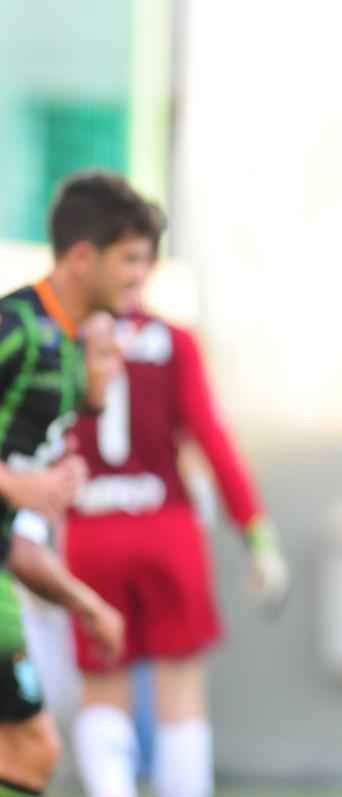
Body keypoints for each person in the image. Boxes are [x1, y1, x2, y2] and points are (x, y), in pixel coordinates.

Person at [63, 245, 289, 797]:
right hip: (166, 529)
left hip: (88, 534)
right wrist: (255, 531)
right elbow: (210, 437)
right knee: (181, 700)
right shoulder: (175, 340)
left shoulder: (66, 342)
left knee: (101, 693)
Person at [0, 170, 149, 795]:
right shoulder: (19, 329)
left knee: (27, 755)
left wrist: (90, 607)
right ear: (83, 257)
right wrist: (16, 485)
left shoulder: (64, 357)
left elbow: (22, 547)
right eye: (131, 259)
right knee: (32, 751)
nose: (140, 276)